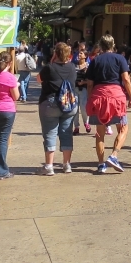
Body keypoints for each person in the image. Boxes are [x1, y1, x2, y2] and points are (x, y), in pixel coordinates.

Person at [85, 35, 131, 173]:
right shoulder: (120, 59)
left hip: (99, 97)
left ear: (100, 46)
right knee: (123, 128)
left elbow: (89, 83)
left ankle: (101, 164)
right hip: (116, 98)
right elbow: (125, 78)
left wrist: (90, 99)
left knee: (100, 133)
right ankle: (113, 155)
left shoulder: (95, 61)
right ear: (113, 45)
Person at [37, 43, 79, 175]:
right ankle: (67, 165)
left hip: (51, 103)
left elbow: (39, 79)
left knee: (50, 133)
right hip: (69, 104)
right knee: (66, 133)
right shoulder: (72, 67)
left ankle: (49, 166)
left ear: (55, 53)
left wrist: (52, 61)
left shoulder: (49, 67)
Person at [74, 44, 90, 135]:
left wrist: (83, 82)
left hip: (83, 90)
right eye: (78, 54)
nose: (79, 55)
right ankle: (76, 127)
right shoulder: (74, 65)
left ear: (85, 56)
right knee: (75, 109)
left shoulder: (88, 67)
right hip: (74, 89)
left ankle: (86, 123)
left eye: (81, 54)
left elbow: (90, 80)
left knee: (83, 107)